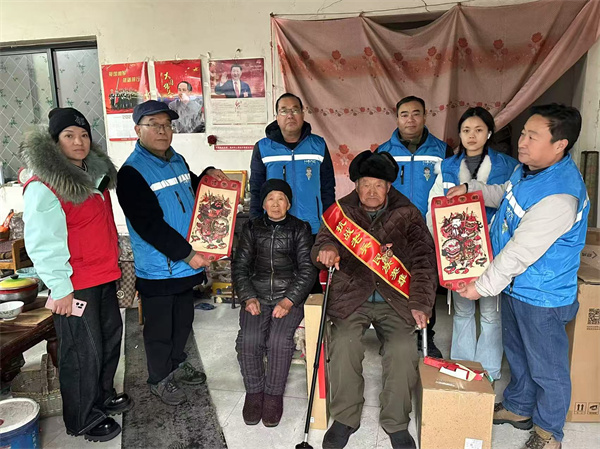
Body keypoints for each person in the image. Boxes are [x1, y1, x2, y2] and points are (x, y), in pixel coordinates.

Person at [448, 104, 589, 449]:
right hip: (517, 287)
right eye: (523, 133)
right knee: (518, 353)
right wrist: (472, 189)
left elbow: (519, 253)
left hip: (542, 296)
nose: (522, 142)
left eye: (532, 137)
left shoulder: (559, 197)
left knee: (547, 367)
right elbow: (506, 195)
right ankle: (518, 407)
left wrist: (480, 286)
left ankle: (549, 432)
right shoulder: (527, 171)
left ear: (560, 145)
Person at [313, 151, 437, 449]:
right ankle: (345, 418)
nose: (371, 191)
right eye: (366, 184)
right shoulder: (340, 211)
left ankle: (396, 422)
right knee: (344, 345)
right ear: (356, 185)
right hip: (351, 296)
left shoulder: (408, 213)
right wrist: (326, 250)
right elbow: (320, 244)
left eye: (378, 185)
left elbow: (424, 260)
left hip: (395, 299)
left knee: (403, 350)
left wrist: (421, 304)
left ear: (389, 187)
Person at [22, 107, 132, 442]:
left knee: (109, 341)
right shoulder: (45, 186)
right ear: (54, 142)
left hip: (103, 275)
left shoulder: (92, 177)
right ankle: (82, 418)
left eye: (84, 135)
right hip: (75, 284)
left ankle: (101, 396)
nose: (79, 141)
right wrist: (60, 288)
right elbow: (44, 243)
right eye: (69, 135)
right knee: (82, 352)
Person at [116, 100, 228, 406]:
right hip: (160, 268)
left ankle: (177, 363)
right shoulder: (131, 173)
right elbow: (149, 226)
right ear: (137, 130)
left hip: (184, 266)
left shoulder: (175, 159)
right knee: (159, 329)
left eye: (167, 125)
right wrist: (188, 254)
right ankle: (159, 378)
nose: (163, 131)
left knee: (183, 321)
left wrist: (208, 175)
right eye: (154, 125)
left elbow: (192, 190)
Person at [426, 107, 518, 380]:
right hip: (456, 251)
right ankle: (463, 366)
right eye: (466, 130)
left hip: (492, 249)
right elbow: (433, 206)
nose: (472, 136)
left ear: (489, 133)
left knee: (490, 312)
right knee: (462, 310)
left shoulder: (508, 166)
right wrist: (440, 245)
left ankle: (488, 372)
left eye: (478, 130)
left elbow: (510, 204)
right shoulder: (447, 167)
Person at [233, 179, 317, 428]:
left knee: (279, 342)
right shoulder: (251, 228)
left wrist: (289, 300)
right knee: (249, 340)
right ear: (263, 203)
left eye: (281, 199)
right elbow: (240, 266)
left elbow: (308, 270)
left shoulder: (300, 228)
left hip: (288, 296)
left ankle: (272, 396)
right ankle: (254, 392)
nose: (276, 204)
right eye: (271, 198)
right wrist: (248, 296)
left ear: (288, 204)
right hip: (256, 295)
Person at [377, 95, 454, 358]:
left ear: (425, 116)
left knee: (425, 284)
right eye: (404, 114)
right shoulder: (384, 152)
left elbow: (449, 190)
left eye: (416, 113)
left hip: (428, 230)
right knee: (393, 282)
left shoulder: (442, 151)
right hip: (393, 231)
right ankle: (392, 336)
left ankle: (426, 336)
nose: (410, 119)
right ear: (397, 118)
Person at [249, 93, 336, 236]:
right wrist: (255, 225)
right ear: (277, 117)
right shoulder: (263, 148)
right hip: (274, 228)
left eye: (295, 110)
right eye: (284, 111)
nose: (290, 115)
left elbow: (327, 188)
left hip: (312, 227)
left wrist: (329, 226)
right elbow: (256, 189)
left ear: (302, 114)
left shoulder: (318, 145)